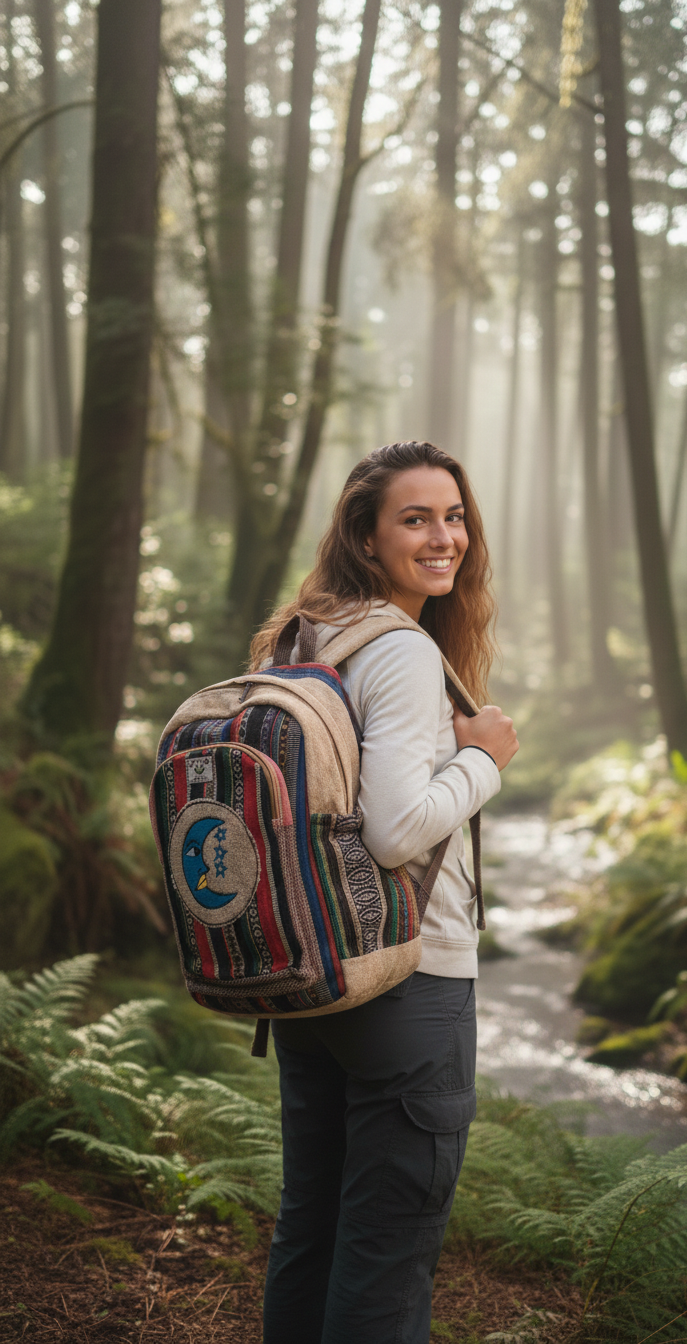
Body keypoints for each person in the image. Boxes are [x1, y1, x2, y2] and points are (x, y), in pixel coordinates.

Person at [254, 440, 519, 1344]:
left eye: (453, 516)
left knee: (313, 1232)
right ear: (365, 536)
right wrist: (484, 756)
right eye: (415, 519)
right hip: (409, 981)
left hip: (313, 974)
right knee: (385, 1261)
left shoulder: (302, 634)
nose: (444, 537)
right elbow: (396, 830)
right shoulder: (400, 650)